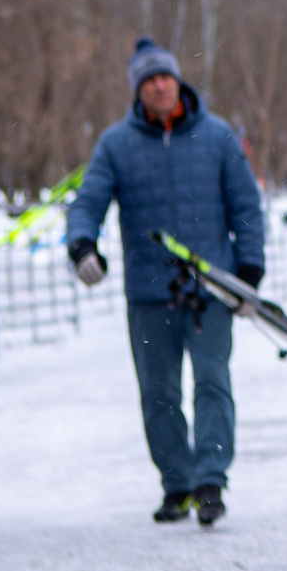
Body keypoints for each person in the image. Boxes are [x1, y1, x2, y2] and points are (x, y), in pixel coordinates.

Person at [64, 38, 265, 527]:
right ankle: (177, 483)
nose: (159, 85)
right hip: (150, 292)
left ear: (178, 81)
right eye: (148, 79)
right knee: (158, 393)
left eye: (165, 77)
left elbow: (246, 207)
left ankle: (210, 480)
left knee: (213, 382)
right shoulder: (116, 144)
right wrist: (82, 245)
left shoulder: (217, 137)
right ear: (137, 89)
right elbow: (87, 202)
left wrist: (248, 272)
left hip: (211, 290)